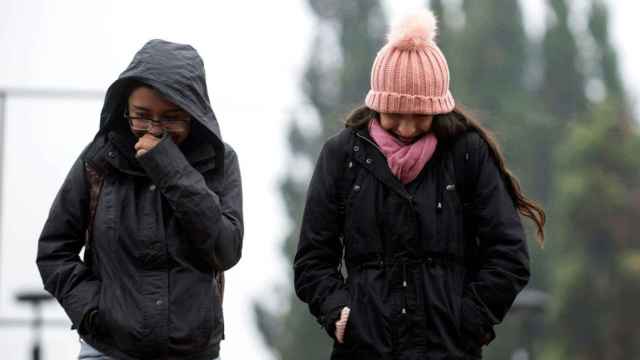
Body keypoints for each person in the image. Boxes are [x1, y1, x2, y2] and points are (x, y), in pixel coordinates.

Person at [293, 9, 545, 359]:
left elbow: (509, 254)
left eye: (420, 116)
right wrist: (339, 313)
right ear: (376, 104)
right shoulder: (341, 156)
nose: (407, 128)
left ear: (439, 108)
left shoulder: (467, 154)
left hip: (449, 350)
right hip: (365, 350)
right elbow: (312, 260)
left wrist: (470, 321)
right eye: (395, 114)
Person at [36, 39, 243, 360]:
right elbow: (53, 250)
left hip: (193, 352)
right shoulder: (97, 160)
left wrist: (171, 169)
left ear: (193, 112)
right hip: (108, 350)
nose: (154, 129)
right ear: (124, 109)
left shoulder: (220, 161)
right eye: (142, 115)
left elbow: (225, 249)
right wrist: (93, 311)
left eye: (172, 117)